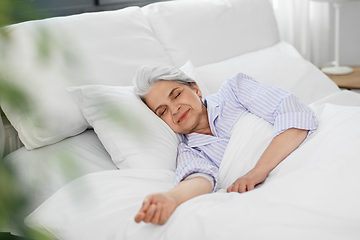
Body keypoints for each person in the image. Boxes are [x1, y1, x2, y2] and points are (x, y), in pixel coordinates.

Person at [133, 65, 317, 225]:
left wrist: (257, 171)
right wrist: (171, 198)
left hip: (311, 152)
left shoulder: (234, 91)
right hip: (276, 193)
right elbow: (199, 179)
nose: (174, 109)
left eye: (176, 95)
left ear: (195, 89)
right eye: (162, 111)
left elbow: (294, 114)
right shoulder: (189, 151)